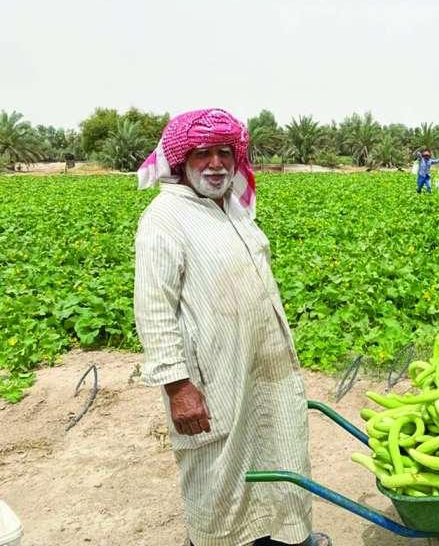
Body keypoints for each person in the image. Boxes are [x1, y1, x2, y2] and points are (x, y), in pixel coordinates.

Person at [133, 109, 331, 546]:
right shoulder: (165, 218)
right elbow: (153, 309)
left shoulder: (235, 211)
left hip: (266, 369)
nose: (217, 164)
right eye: (203, 153)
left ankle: (283, 537)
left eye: (225, 152)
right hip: (212, 380)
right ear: (181, 159)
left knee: (280, 453)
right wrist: (178, 387)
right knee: (219, 475)